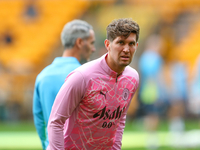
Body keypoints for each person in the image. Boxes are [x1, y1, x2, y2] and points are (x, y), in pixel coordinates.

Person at [47, 18, 140, 150]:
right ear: (108, 45)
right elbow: (55, 122)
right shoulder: (82, 77)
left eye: (131, 44)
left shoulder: (132, 78)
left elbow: (119, 119)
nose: (126, 49)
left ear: (136, 46)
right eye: (120, 42)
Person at [33, 19, 96, 150]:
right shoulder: (88, 77)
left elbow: (39, 119)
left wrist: (48, 146)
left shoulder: (42, 76)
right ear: (79, 42)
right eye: (91, 43)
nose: (94, 49)